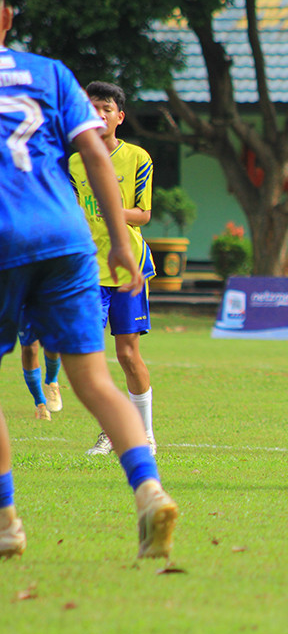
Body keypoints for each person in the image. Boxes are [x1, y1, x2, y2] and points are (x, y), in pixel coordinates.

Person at [0, 0, 177, 559]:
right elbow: (97, 158)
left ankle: (6, 520)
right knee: (94, 377)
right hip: (67, 240)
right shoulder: (51, 74)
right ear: (8, 18)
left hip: (4, 234)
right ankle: (149, 491)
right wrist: (123, 248)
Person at [67, 81, 158, 455]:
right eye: (93, 107)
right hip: (88, 271)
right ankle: (111, 432)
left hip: (127, 269)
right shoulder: (73, 160)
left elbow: (144, 214)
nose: (99, 113)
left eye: (106, 108)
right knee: (91, 356)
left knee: (127, 355)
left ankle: (146, 435)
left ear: (119, 117)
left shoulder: (137, 157)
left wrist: (109, 209)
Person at [18, 321, 63, 420]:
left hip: (50, 306)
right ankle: (40, 403)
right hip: (24, 307)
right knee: (29, 349)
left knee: (52, 343)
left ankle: (51, 382)